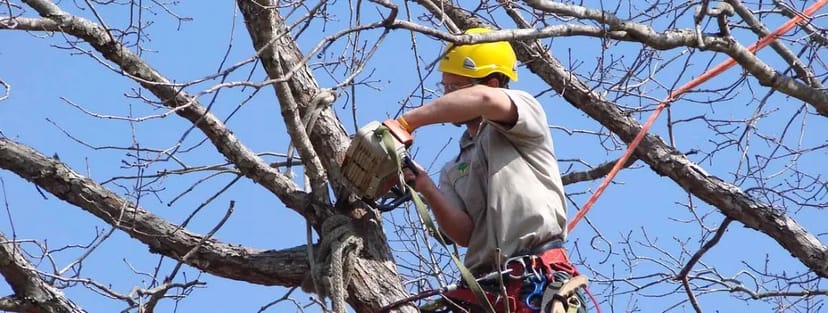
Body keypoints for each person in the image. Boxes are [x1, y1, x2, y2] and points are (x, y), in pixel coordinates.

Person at [393, 27, 585, 312]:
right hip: (485, 292)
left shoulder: (523, 117)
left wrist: (407, 123)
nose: (445, 97)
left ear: (492, 83)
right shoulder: (454, 170)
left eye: (455, 89)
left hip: (534, 281)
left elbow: (484, 101)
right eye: (445, 88)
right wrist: (425, 187)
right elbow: (464, 234)